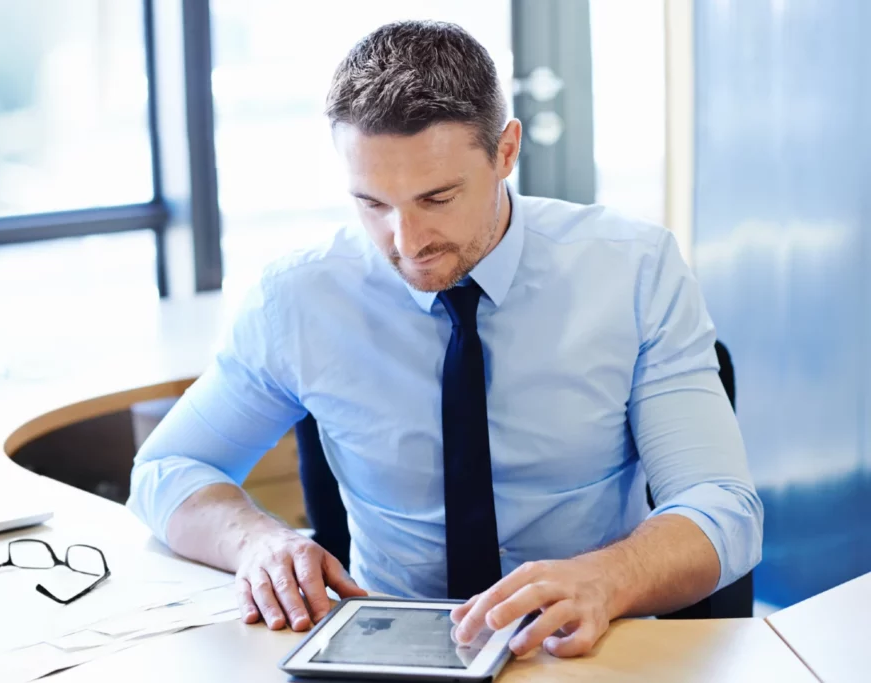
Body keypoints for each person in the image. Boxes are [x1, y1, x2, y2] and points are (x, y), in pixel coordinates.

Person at [127, 20, 763, 658]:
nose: (406, 242)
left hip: (586, 648)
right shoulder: (298, 298)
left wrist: (608, 579)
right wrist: (258, 542)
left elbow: (722, 507)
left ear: (506, 152)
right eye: (372, 203)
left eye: (436, 197)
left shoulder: (634, 270)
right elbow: (165, 470)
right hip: (387, 649)